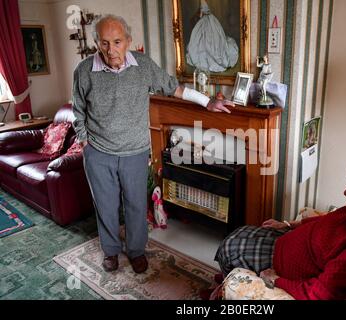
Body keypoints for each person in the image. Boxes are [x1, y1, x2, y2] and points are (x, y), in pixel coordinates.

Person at [72, 14, 234, 274]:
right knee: (105, 206)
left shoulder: (143, 66)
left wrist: (208, 102)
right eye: (104, 43)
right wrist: (84, 141)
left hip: (134, 152)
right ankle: (111, 251)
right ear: (96, 44)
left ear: (128, 41)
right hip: (99, 153)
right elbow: (78, 109)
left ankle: (136, 251)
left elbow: (174, 88)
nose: (111, 50)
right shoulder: (84, 71)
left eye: (117, 42)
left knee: (136, 204)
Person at [214, 157, 346, 299]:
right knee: (241, 231)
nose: (345, 192)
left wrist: (276, 279)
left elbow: (319, 292)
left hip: (280, 264)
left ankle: (224, 288)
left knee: (228, 248)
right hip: (285, 241)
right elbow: (324, 221)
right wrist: (288, 224)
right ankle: (225, 280)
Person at [186, 0, 238, 72]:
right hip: (207, 21)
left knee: (212, 39)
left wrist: (201, 16)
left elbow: (201, 14)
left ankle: (210, 53)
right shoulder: (209, 13)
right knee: (203, 39)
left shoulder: (207, 12)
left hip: (207, 22)